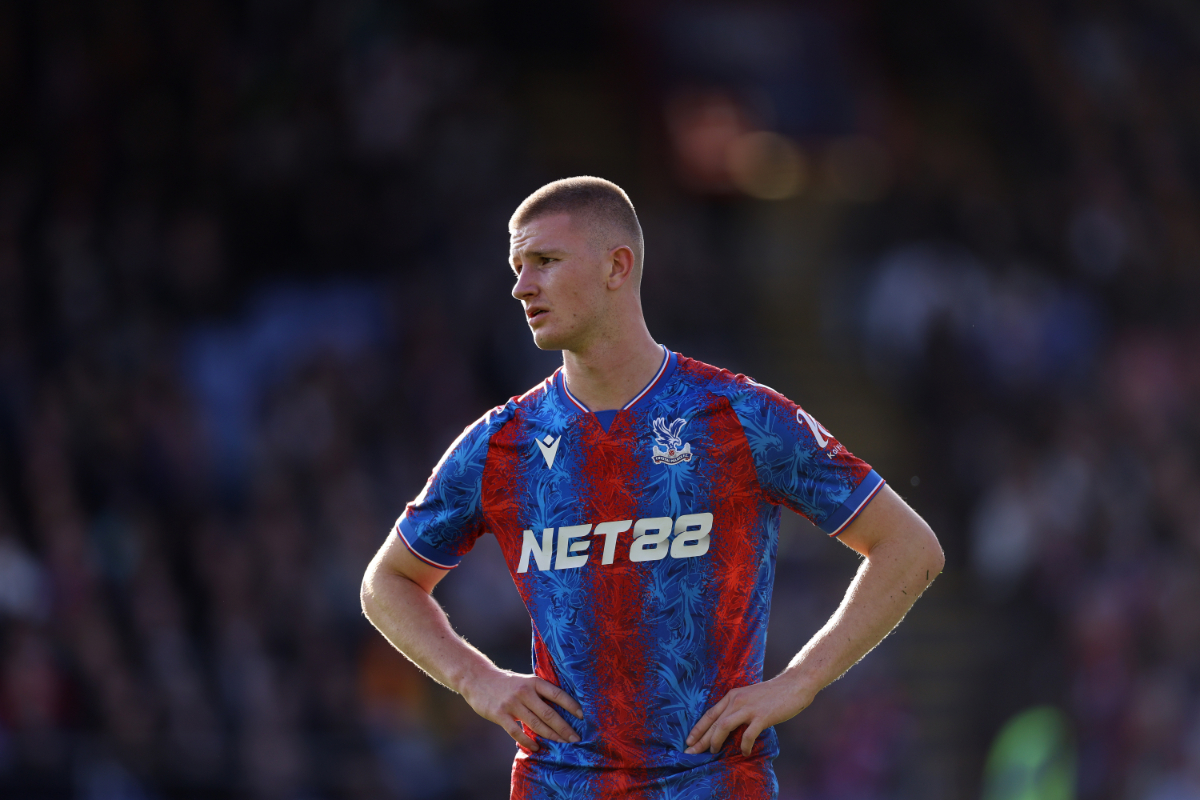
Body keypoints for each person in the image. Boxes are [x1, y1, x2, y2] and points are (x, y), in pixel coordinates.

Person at [361, 176, 945, 798]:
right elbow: (386, 583)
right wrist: (475, 678)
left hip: (713, 781)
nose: (521, 285)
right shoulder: (501, 444)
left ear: (618, 266)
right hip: (560, 785)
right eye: (517, 266)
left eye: (546, 262)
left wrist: (800, 679)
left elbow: (909, 548)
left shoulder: (737, 417)